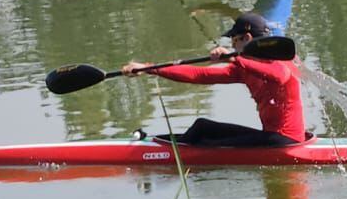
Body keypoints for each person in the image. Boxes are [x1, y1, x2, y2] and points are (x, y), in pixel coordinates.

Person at [122, 13, 306, 147]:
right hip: (270, 137)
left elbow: (279, 76)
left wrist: (234, 58)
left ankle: (176, 153)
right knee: (202, 127)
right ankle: (167, 146)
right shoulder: (243, 69)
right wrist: (149, 68)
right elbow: (198, 75)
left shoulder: (282, 59)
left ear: (247, 38)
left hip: (286, 141)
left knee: (208, 143)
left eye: (234, 41)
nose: (231, 46)